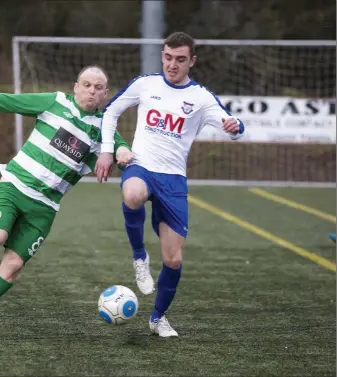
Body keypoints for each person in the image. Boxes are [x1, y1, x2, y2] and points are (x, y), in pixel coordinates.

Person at [0, 65, 133, 334]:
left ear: (105, 94)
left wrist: (123, 153)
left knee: (14, 265)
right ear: (76, 86)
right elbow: (9, 101)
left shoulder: (103, 131)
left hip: (44, 208)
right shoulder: (55, 102)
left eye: (98, 88)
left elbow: (122, 151)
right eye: (86, 85)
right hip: (15, 187)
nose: (91, 91)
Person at [95, 32, 246, 337]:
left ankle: (157, 318)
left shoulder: (201, 98)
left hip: (174, 179)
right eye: (167, 57)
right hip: (141, 165)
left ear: (192, 61)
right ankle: (139, 256)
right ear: (162, 55)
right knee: (133, 193)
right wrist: (107, 150)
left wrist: (234, 127)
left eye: (179, 59)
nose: (172, 64)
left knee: (173, 260)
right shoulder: (146, 84)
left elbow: (234, 128)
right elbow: (110, 111)